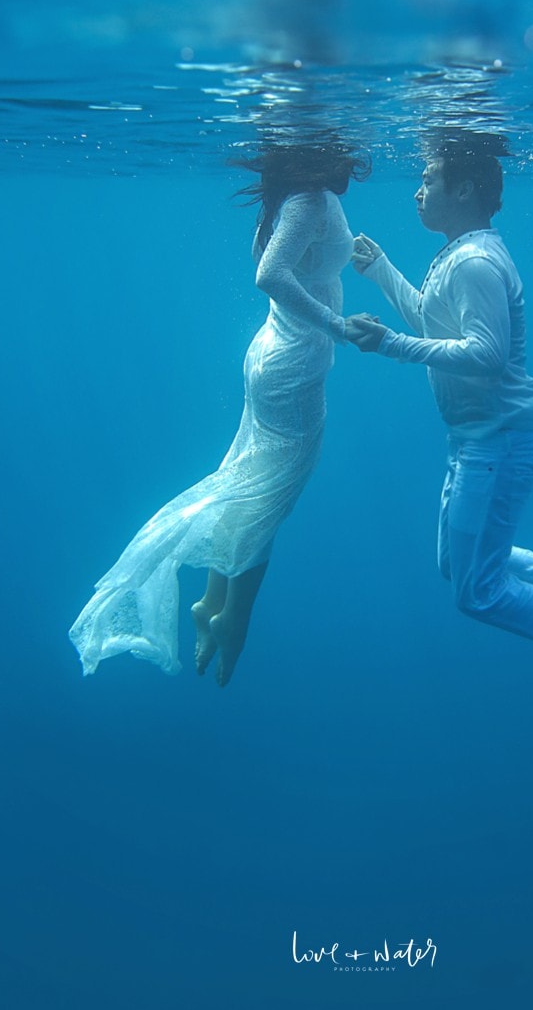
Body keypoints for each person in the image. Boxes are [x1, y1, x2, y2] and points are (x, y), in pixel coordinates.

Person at [345, 141, 533, 684]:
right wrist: (381, 269)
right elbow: (432, 319)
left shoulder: (476, 263)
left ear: (464, 189)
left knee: (477, 591)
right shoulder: (462, 253)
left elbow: (485, 357)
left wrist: (390, 344)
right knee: (457, 566)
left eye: (428, 179)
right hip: (477, 442)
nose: (417, 191)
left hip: (499, 445)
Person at [70, 140, 369, 687]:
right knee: (267, 499)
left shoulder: (299, 198)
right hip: (295, 363)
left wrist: (356, 257)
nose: (355, 160)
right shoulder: (309, 202)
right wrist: (337, 324)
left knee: (250, 484)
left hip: (279, 354)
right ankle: (233, 619)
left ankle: (212, 601)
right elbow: (272, 276)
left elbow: (299, 264)